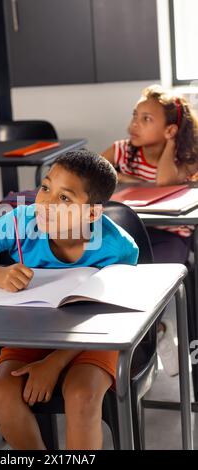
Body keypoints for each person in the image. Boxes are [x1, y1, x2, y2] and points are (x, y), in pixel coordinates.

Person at [0, 149, 138, 450]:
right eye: (45, 188)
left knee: (82, 394)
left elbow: (112, 319)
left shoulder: (119, 248)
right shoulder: (19, 222)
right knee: (1, 394)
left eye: (65, 198)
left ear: (93, 212)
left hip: (93, 335)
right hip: (29, 332)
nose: (45, 203)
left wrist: (54, 363)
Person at [101, 84, 198, 377]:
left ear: (171, 130)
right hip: (131, 233)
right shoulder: (121, 150)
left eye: (146, 119)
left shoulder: (187, 155)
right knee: (112, 274)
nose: (134, 124)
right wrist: (124, 175)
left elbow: (165, 180)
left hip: (171, 235)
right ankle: (153, 332)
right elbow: (93, 175)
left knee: (153, 278)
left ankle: (157, 329)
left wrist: (169, 148)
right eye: (135, 115)